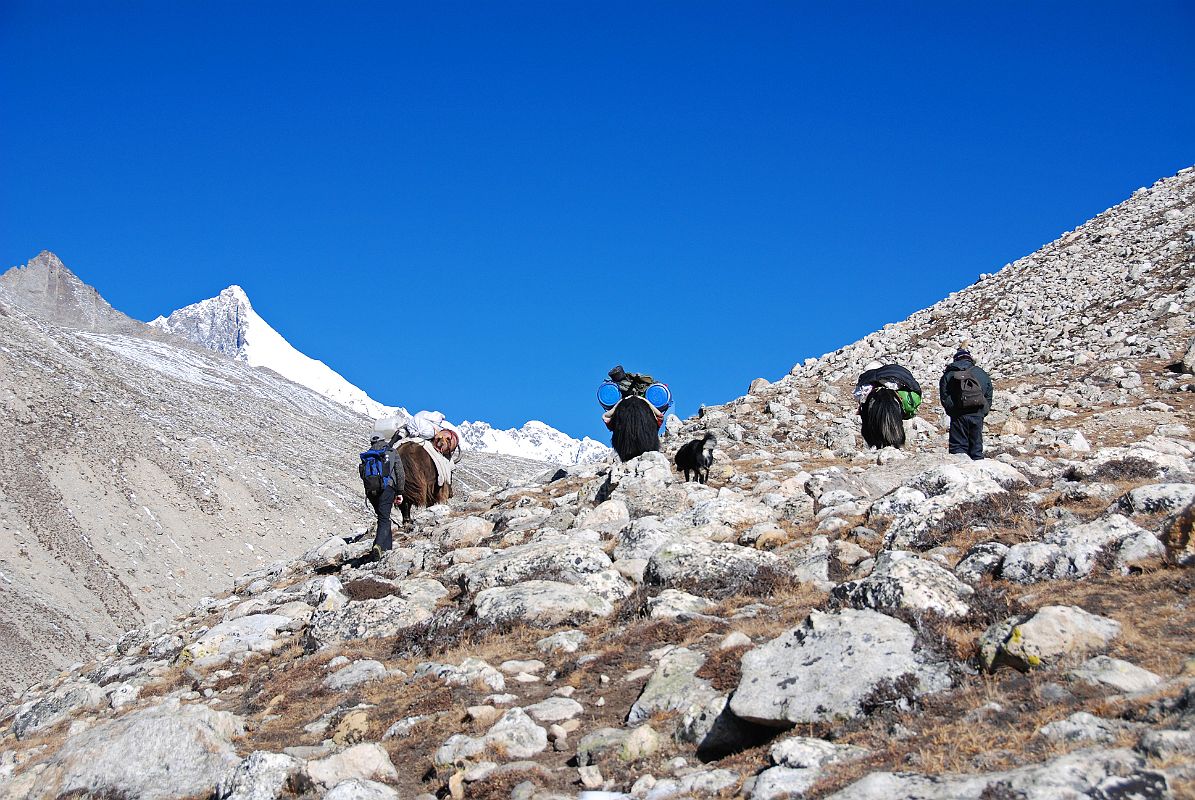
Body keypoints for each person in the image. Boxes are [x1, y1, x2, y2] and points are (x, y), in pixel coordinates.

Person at [939, 344, 993, 460]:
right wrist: (983, 412)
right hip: (977, 413)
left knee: (958, 449)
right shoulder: (981, 373)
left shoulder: (949, 374)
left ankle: (960, 474)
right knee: (976, 448)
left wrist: (953, 410)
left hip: (958, 415)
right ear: (970, 359)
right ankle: (979, 472)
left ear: (956, 360)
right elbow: (988, 394)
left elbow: (944, 397)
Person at [359, 434, 406, 562]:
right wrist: (400, 491)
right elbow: (400, 472)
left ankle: (387, 549)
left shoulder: (368, 455)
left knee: (383, 518)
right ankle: (378, 546)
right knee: (384, 519)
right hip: (387, 488)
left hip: (371, 492)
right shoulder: (391, 451)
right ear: (383, 440)